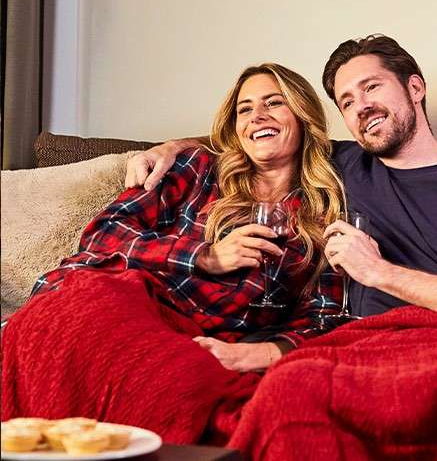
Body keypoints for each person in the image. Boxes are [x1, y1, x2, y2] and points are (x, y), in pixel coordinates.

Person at [126, 35, 437, 324]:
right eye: (347, 101)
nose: (361, 106)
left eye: (372, 87)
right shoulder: (340, 164)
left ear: (415, 88)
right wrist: (173, 146)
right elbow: (262, 134)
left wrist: (379, 272)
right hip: (360, 344)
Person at [19, 62, 345, 373]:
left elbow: (324, 317)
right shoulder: (198, 168)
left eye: (273, 103)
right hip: (119, 296)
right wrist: (205, 256)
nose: (257, 116)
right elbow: (102, 234)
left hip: (191, 341)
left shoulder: (324, 209)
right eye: (244, 109)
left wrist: (256, 354)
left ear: (302, 114)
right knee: (62, 330)